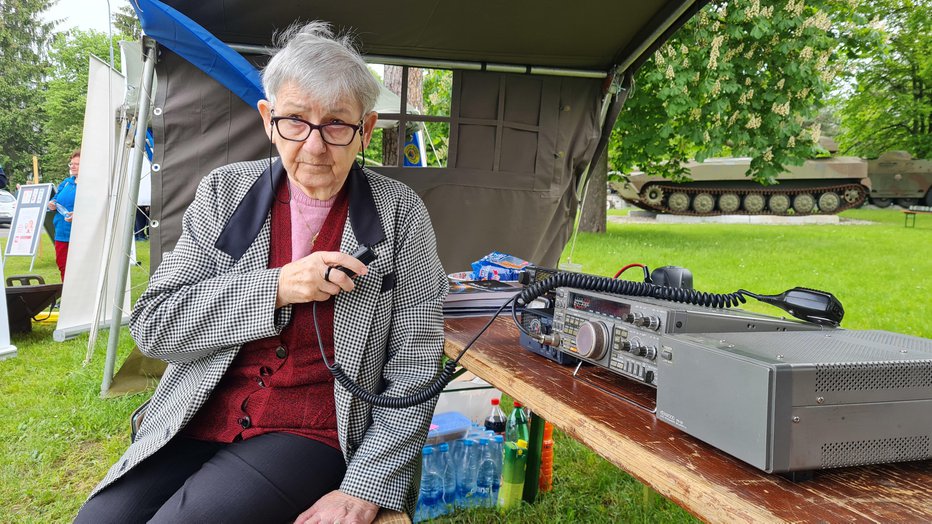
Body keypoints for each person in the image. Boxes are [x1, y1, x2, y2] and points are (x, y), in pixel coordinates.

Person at [75, 22, 448, 524]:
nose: (315, 146)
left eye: (337, 124)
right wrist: (276, 287)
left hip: (313, 430)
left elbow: (416, 366)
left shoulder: (399, 213)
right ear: (268, 119)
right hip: (198, 413)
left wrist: (366, 487)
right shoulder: (225, 195)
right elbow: (155, 326)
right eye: (295, 120)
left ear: (367, 129)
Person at [48, 150, 79, 279]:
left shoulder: (90, 185)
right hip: (61, 232)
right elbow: (56, 198)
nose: (72, 166)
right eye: (71, 163)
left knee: (78, 269)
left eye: (77, 164)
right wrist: (52, 203)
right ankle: (66, 296)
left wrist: (78, 215)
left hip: (78, 234)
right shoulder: (66, 182)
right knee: (62, 266)